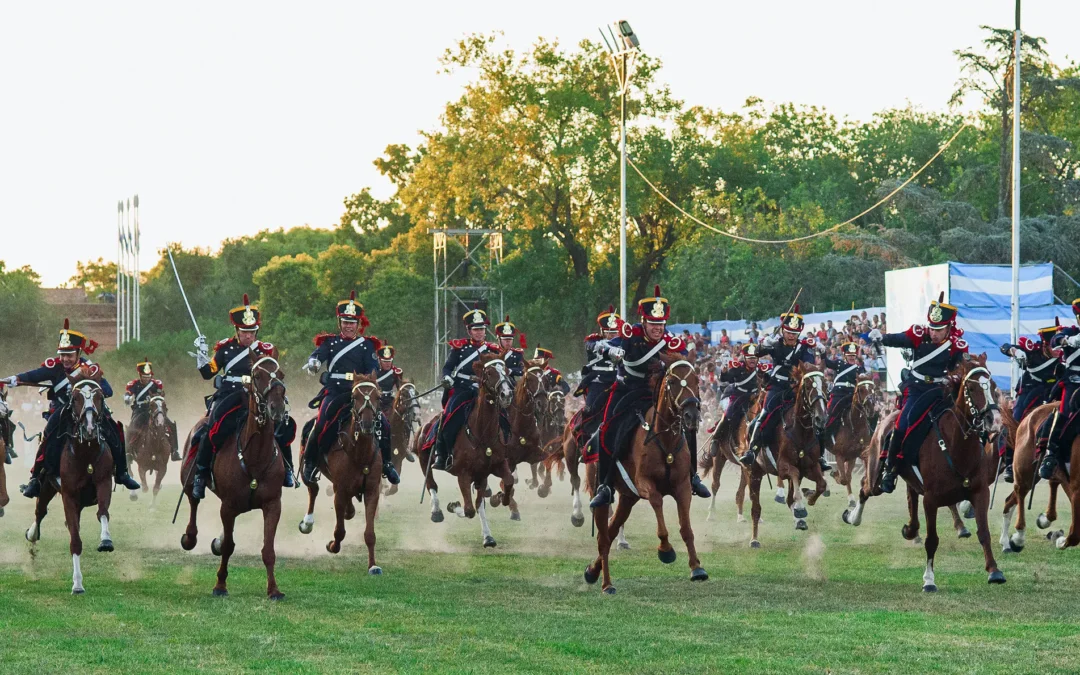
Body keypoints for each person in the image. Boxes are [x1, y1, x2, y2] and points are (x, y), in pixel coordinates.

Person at [589, 286, 710, 509]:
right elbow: (595, 344)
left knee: (687, 425)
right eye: (653, 324)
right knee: (606, 428)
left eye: (661, 324)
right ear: (643, 322)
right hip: (626, 391)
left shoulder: (670, 341)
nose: (657, 329)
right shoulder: (630, 335)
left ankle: (693, 477)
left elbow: (683, 357)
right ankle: (605, 485)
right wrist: (609, 351)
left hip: (656, 394)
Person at [2, 319, 140, 498]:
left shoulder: (89, 368)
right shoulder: (54, 367)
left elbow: (108, 390)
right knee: (48, 436)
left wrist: (88, 388)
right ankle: (36, 478)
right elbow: (34, 375)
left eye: (70, 355)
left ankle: (122, 472)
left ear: (78, 352)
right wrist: (15, 379)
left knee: (115, 430)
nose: (65, 359)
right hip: (63, 410)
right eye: (63, 354)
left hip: (89, 409)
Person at [189, 294, 293, 500]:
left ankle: (287, 469)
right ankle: (201, 474)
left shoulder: (267, 350)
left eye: (252, 332)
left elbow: (273, 374)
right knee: (213, 428)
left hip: (260, 397)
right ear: (237, 330)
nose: (249, 337)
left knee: (283, 425)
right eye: (245, 332)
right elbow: (208, 372)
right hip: (231, 395)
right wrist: (202, 357)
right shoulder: (225, 349)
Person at [869, 293, 967, 493]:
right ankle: (891, 469)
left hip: (941, 392)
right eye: (932, 327)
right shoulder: (919, 334)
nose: (933, 333)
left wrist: (955, 378)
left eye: (938, 329)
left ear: (949, 327)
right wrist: (882, 337)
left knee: (966, 422)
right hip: (917, 389)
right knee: (903, 424)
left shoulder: (956, 345)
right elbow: (899, 339)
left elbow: (959, 368)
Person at [301, 291, 400, 486]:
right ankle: (311, 461)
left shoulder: (366, 346)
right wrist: (313, 363)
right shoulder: (329, 342)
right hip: (336, 392)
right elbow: (317, 356)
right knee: (321, 422)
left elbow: (372, 369)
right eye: (345, 322)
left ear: (358, 325)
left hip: (361, 394)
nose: (348, 326)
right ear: (340, 323)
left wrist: (368, 383)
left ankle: (387, 464)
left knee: (385, 425)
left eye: (352, 323)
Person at [741, 306, 832, 473]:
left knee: (816, 416)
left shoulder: (803, 347)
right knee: (765, 414)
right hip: (776, 386)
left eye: (794, 333)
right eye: (789, 332)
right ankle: (752, 451)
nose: (791, 336)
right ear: (783, 331)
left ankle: (820, 456)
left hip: (795, 388)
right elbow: (758, 352)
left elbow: (808, 365)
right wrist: (765, 342)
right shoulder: (775, 343)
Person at [426, 307, 502, 471]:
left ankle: (507, 449)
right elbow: (447, 368)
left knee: (505, 414)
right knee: (449, 416)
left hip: (486, 391)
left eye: (481, 329)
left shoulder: (493, 350)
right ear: (469, 330)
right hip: (463, 389)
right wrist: (447, 378)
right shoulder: (459, 348)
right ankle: (442, 453)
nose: (479, 332)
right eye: (475, 329)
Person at [1000, 322, 1061, 482]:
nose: (1057, 351)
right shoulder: (1033, 351)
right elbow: (1005, 347)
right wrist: (1015, 351)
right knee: (1015, 419)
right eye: (1053, 348)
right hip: (1031, 388)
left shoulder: (1064, 352)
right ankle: (1009, 461)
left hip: (1054, 389)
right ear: (1045, 346)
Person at [1036, 302, 1080, 479]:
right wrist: (1069, 341)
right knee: (1065, 412)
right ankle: (1050, 454)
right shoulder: (1071, 332)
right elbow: (1054, 340)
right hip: (1075, 382)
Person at [574, 306, 622, 451]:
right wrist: (608, 349)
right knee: (591, 409)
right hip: (599, 382)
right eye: (608, 331)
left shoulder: (623, 342)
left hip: (619, 381)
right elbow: (593, 346)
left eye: (614, 331)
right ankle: (584, 438)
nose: (612, 335)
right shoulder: (594, 341)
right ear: (602, 331)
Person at [124, 358, 180, 461]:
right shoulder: (134, 384)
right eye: (145, 377)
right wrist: (129, 398)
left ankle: (175, 450)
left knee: (170, 424)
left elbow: (159, 395)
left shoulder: (156, 384)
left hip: (154, 409)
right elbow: (127, 396)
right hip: (140, 410)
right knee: (132, 426)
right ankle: (128, 451)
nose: (147, 379)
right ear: (140, 375)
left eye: (149, 376)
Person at [711, 343, 766, 446]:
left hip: (756, 397)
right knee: (728, 414)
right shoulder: (738, 368)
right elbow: (725, 379)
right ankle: (716, 438)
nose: (752, 360)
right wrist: (724, 371)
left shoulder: (761, 369)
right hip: (739, 396)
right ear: (744, 358)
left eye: (754, 357)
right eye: (749, 358)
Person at [821, 342, 866, 447]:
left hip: (852, 395)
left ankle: (866, 437)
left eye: (853, 356)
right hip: (839, 395)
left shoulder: (859, 368)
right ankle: (828, 434)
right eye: (849, 355)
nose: (851, 358)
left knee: (867, 412)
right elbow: (827, 362)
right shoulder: (839, 364)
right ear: (845, 355)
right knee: (832, 413)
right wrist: (823, 353)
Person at [493, 315, 526, 380]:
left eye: (510, 339)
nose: (508, 341)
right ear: (499, 339)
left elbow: (523, 370)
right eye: (505, 339)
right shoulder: (492, 352)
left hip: (511, 385)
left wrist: (509, 370)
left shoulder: (517, 354)